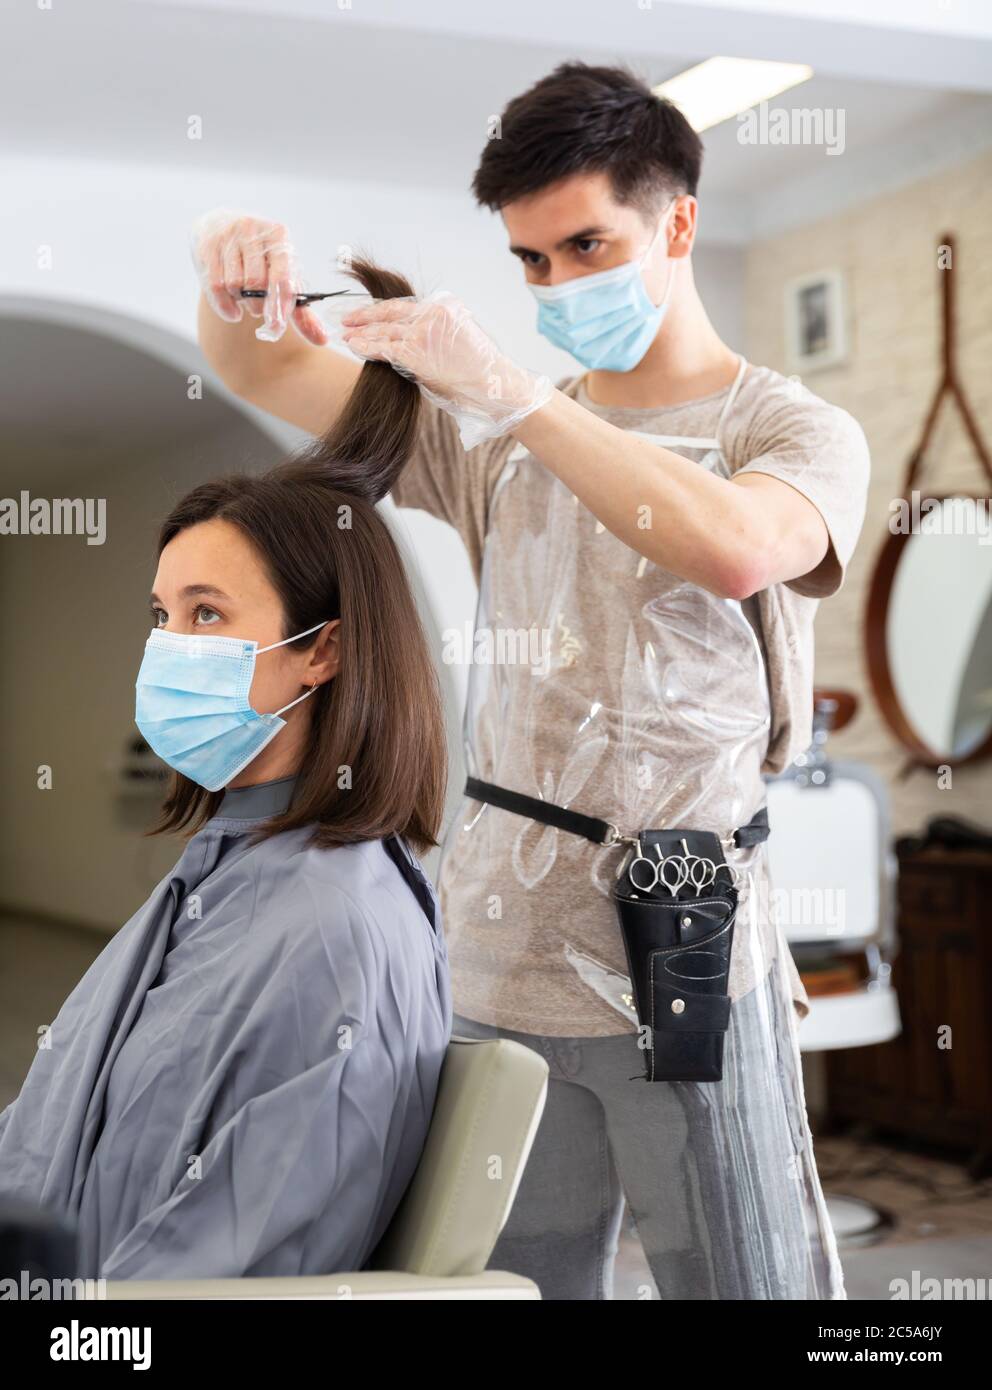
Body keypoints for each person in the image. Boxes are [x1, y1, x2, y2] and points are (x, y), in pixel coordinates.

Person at [192, 62, 870, 1299]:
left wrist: (506, 391)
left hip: (683, 956)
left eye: (584, 244)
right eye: (529, 261)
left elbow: (726, 546)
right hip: (496, 953)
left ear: (676, 222)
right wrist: (232, 295)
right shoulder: (493, 451)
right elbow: (266, 372)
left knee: (742, 1279)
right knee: (505, 1282)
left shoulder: (791, 433)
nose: (555, 284)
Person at [0, 258, 452, 1281]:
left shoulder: (337, 932)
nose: (168, 646)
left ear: (321, 650)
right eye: (161, 616)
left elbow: (225, 1269)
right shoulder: (227, 860)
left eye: (207, 613)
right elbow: (67, 1128)